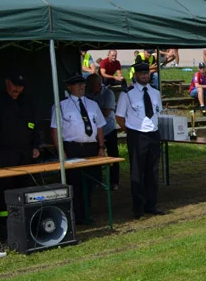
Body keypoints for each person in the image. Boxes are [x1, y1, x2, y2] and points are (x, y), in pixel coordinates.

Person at [51, 75, 106, 224]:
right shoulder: (61, 106)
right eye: (77, 85)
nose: (81, 87)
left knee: (89, 182)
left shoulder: (92, 104)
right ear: (69, 87)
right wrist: (60, 150)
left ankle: (87, 214)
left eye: (83, 84)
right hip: (73, 147)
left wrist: (101, 147)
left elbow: (99, 127)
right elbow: (55, 130)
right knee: (74, 183)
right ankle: (75, 214)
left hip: (90, 147)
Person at [0, 71, 40, 236]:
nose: (17, 89)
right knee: (6, 190)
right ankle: (6, 227)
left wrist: (35, 145)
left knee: (25, 187)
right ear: (7, 82)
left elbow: (34, 124)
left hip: (25, 153)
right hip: (4, 153)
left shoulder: (27, 101)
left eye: (20, 86)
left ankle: (27, 223)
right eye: (15, 85)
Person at [115, 62, 164, 219]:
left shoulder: (155, 92)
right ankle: (138, 207)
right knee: (137, 172)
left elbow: (158, 112)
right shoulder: (127, 94)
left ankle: (152, 204)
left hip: (153, 133)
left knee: (153, 171)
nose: (144, 76)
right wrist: (129, 130)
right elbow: (119, 117)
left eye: (146, 73)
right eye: (141, 73)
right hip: (137, 135)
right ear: (135, 75)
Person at [85, 73, 120, 190]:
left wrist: (91, 114)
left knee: (113, 156)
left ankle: (114, 182)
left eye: (90, 85)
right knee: (95, 157)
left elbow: (106, 112)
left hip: (108, 129)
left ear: (99, 85)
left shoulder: (108, 94)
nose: (88, 87)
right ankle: (97, 181)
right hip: (94, 132)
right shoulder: (86, 95)